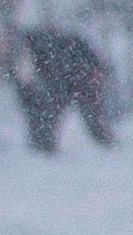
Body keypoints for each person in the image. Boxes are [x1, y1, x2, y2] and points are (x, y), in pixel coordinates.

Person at [10, 24, 115, 155]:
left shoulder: (44, 46)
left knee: (43, 114)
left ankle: (42, 147)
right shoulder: (65, 47)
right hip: (59, 81)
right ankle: (43, 147)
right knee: (44, 113)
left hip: (58, 81)